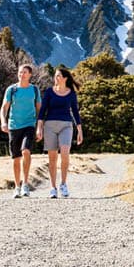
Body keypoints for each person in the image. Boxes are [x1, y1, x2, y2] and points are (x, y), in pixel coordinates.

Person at [36, 67, 83, 198]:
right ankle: (53, 187)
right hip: (49, 126)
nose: (56, 78)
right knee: (52, 158)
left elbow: (75, 112)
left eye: (58, 76)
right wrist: (39, 128)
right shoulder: (50, 92)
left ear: (65, 78)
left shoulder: (71, 93)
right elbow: (43, 111)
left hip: (66, 126)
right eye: (55, 76)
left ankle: (63, 184)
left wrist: (80, 130)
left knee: (65, 153)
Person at [0, 64, 41, 198]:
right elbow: (4, 108)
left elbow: (39, 109)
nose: (21, 74)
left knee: (26, 151)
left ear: (30, 75)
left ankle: (25, 184)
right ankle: (17, 186)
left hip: (29, 125)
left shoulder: (34, 90)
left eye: (24, 72)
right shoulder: (11, 90)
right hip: (13, 126)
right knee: (16, 158)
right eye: (20, 72)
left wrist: (40, 128)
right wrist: (3, 122)